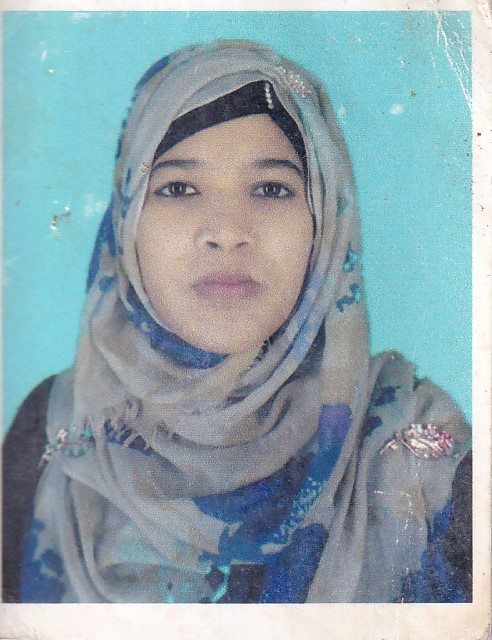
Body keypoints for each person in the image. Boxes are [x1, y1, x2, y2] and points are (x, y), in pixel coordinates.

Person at [2, 40, 472, 603]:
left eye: (271, 189)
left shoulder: (422, 453)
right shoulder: (52, 427)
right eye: (178, 188)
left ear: (326, 221)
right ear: (127, 222)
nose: (227, 232)